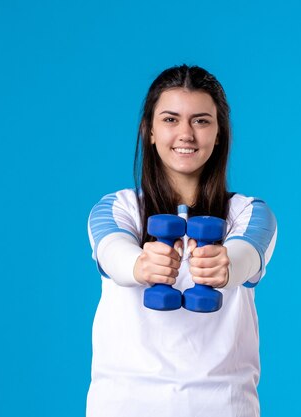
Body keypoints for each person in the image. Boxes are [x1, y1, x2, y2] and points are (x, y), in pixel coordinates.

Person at [86, 64, 278, 417]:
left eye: (201, 120)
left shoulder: (249, 213)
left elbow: (247, 254)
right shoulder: (117, 208)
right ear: (150, 131)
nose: (186, 134)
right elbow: (111, 251)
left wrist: (226, 264)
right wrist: (140, 264)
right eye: (171, 120)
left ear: (219, 133)